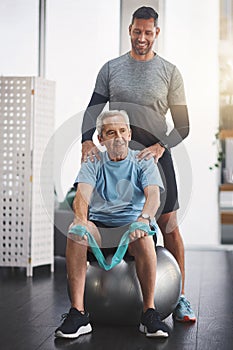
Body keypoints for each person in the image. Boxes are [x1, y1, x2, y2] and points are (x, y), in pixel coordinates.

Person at [80, 6, 196, 323]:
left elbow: (183, 125)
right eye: (136, 31)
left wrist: (161, 146)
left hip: (157, 157)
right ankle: (84, 301)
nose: (141, 38)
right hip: (121, 159)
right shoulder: (111, 68)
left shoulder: (170, 72)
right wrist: (87, 140)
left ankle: (181, 297)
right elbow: (93, 111)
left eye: (148, 32)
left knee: (169, 225)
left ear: (156, 33)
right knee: (107, 220)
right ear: (129, 29)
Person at [55, 110, 169, 339]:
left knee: (144, 236)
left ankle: (149, 313)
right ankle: (78, 314)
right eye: (110, 132)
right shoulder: (93, 161)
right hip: (101, 229)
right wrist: (79, 220)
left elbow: (153, 197)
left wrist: (143, 219)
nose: (117, 137)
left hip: (133, 228)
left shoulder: (143, 160)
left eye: (122, 131)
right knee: (77, 233)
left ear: (129, 134)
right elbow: (82, 197)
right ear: (101, 139)